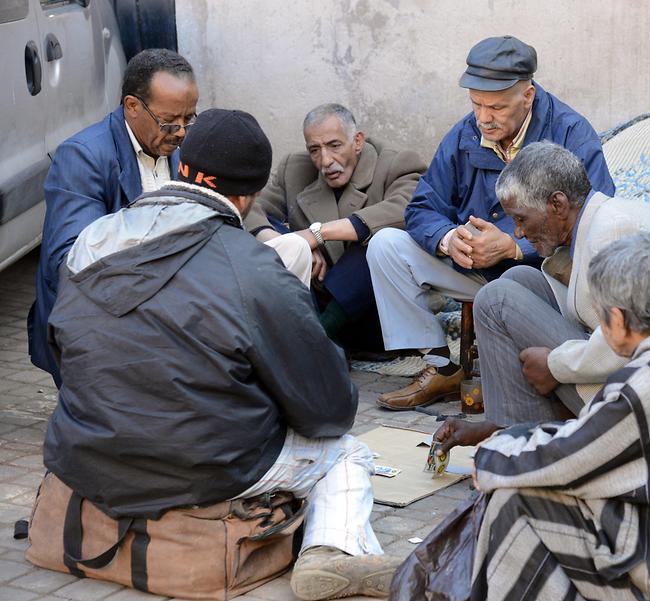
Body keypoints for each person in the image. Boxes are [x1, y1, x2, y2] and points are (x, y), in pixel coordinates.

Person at [42, 109, 399, 601]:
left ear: (181, 165)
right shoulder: (255, 268)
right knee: (345, 453)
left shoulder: (95, 237)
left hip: (86, 449)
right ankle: (333, 552)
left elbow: (59, 344)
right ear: (249, 196)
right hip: (203, 465)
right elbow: (329, 409)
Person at [439, 231, 650, 601]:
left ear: (618, 319)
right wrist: (508, 438)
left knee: (512, 501)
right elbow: (592, 438)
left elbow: (568, 460)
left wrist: (490, 458)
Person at [369, 35, 616, 410]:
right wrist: (448, 238)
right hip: (472, 267)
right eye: (477, 104)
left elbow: (597, 216)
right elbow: (421, 207)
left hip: (544, 276)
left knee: (527, 283)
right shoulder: (465, 133)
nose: (484, 117)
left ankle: (522, 378)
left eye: (498, 107)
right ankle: (442, 366)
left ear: (528, 96)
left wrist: (517, 246)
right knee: (385, 246)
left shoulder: (569, 133)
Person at [472, 141, 650, 427]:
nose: (519, 232)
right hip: (643, 364)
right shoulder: (605, 218)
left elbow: (631, 339)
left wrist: (554, 365)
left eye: (522, 219)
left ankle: (516, 438)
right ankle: (521, 422)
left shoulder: (612, 230)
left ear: (557, 204)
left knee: (494, 300)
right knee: (518, 279)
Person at [29, 48, 199, 385]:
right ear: (132, 107)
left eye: (188, 119)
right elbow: (71, 262)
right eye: (169, 120)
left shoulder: (179, 149)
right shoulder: (83, 157)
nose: (180, 132)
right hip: (95, 334)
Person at [245, 103, 427, 351]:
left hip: (378, 316)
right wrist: (295, 245)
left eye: (334, 146)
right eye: (315, 150)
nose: (325, 160)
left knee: (380, 242)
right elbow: (249, 208)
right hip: (316, 300)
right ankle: (317, 341)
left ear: (358, 141)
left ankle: (314, 343)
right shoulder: (294, 169)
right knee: (270, 231)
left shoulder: (396, 163)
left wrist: (317, 234)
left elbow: (409, 210)